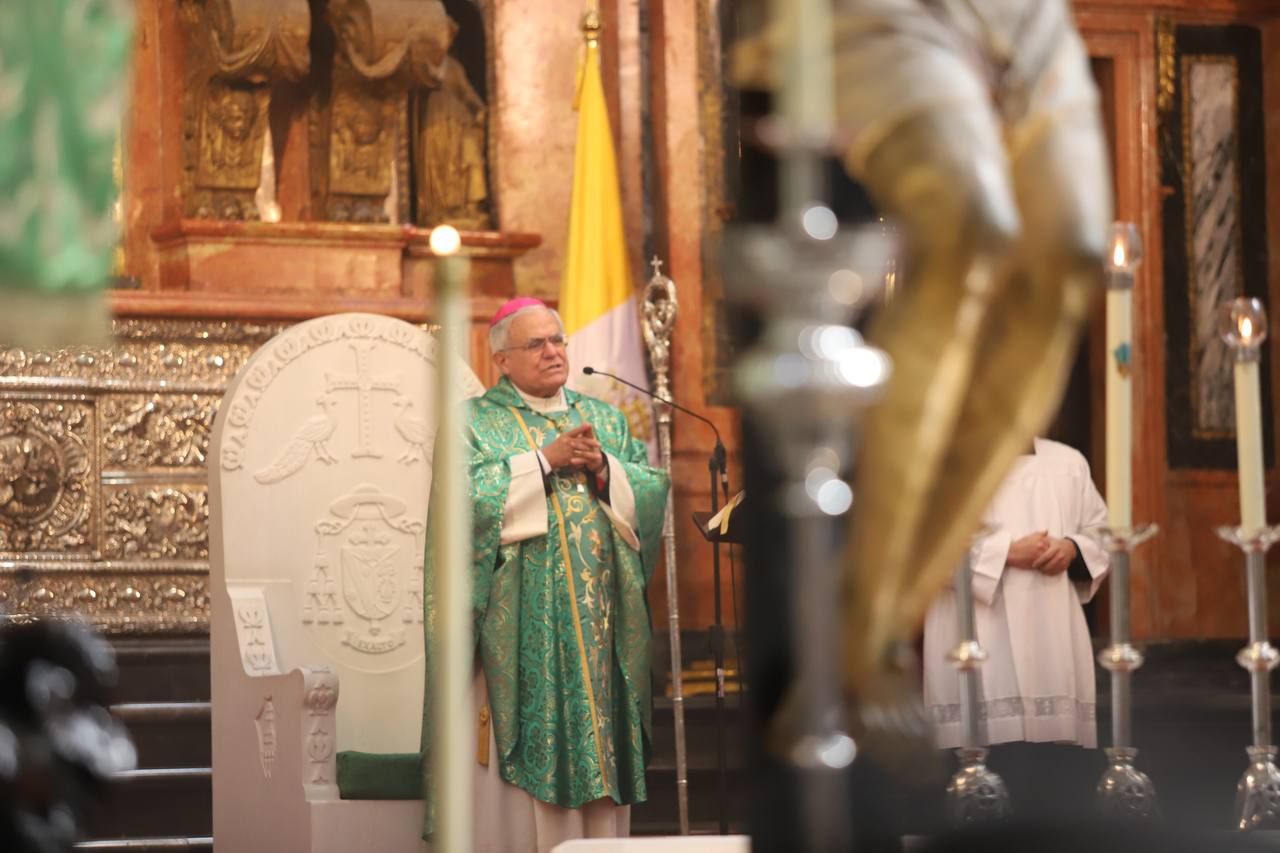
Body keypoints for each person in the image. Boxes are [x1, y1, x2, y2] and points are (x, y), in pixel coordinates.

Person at [420, 297, 669, 853]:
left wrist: (605, 467)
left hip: (600, 637)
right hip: (517, 639)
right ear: (502, 359)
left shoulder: (601, 416)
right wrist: (543, 461)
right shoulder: (473, 422)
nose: (554, 351)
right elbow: (460, 509)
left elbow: (649, 494)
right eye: (537, 344)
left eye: (558, 339)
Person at [923, 437, 1110, 817]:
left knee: (1053, 799)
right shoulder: (944, 459)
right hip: (973, 635)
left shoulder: (1067, 462)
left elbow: (1103, 532)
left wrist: (1073, 548)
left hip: (1053, 643)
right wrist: (1006, 551)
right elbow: (923, 546)